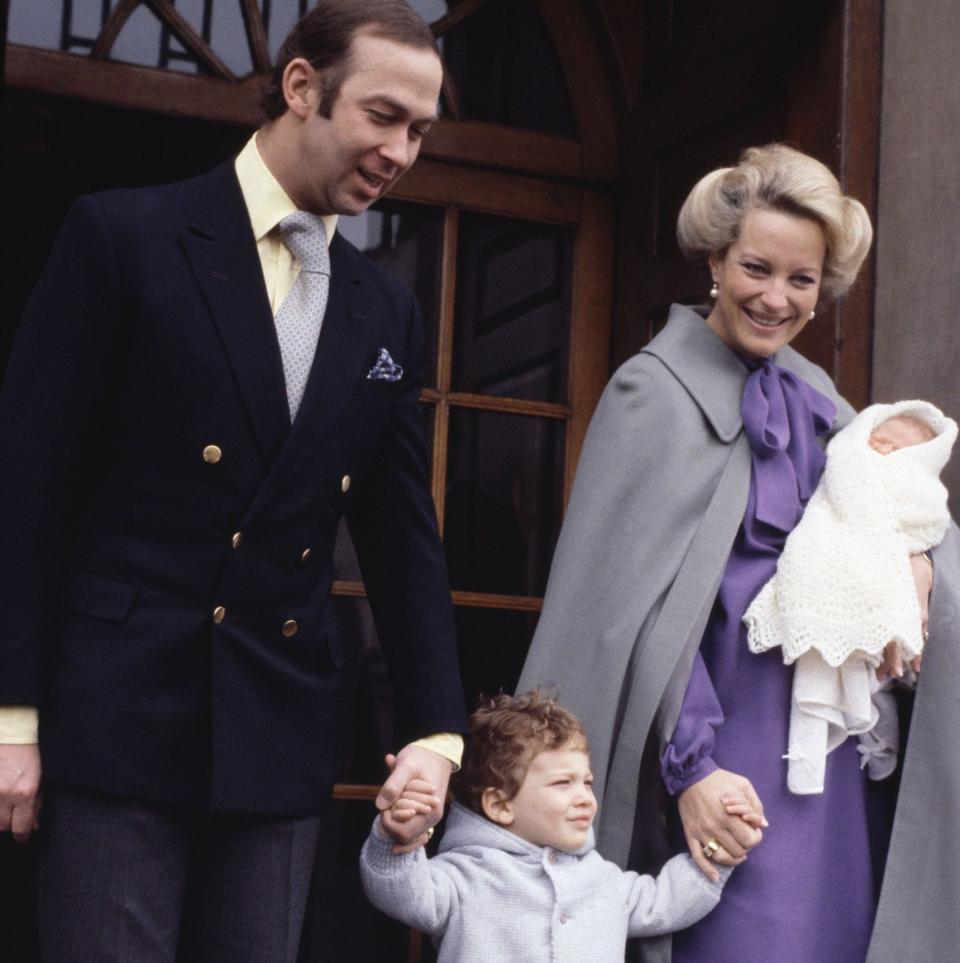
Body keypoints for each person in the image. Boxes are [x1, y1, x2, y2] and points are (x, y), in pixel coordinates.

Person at [0, 2, 467, 960]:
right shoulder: (124, 236)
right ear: (301, 88)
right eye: (383, 116)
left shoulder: (385, 309)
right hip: (116, 717)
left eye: (419, 130)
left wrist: (436, 731)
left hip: (279, 729)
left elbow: (400, 531)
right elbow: (27, 492)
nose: (402, 151)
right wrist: (12, 717)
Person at [518, 143, 960, 963]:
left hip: (832, 770)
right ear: (716, 260)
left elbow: (914, 520)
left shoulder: (825, 401)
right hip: (724, 760)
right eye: (757, 268)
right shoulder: (650, 391)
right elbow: (631, 614)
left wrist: (923, 563)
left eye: (802, 280)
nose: (776, 297)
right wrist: (692, 771)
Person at [360, 692, 739, 963]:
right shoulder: (465, 877)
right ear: (499, 805)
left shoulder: (601, 879)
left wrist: (718, 849)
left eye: (587, 783)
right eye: (563, 784)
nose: (585, 797)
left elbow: (665, 903)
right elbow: (401, 895)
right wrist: (399, 839)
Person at [744, 401, 956, 793]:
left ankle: (877, 737)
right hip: (834, 567)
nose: (890, 453)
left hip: (884, 586)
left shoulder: (913, 481)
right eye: (888, 441)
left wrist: (918, 557)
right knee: (834, 673)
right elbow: (841, 501)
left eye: (910, 451)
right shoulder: (849, 457)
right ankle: (855, 740)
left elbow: (929, 517)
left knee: (877, 679)